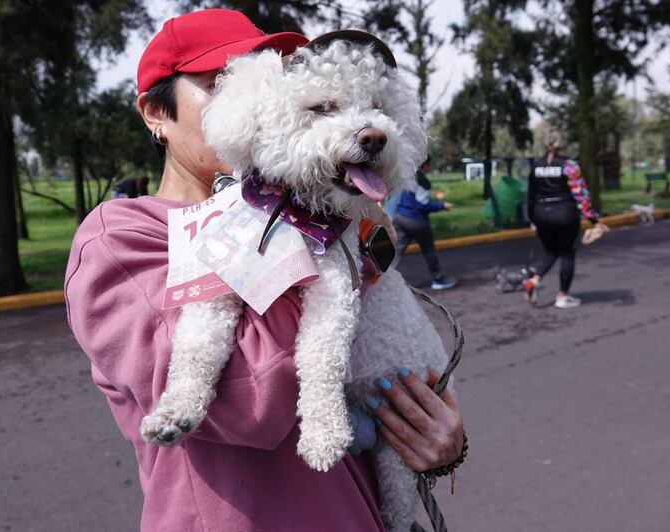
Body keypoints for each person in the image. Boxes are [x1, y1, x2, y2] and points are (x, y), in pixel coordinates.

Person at [64, 10, 464, 531]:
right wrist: (349, 262)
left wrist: (440, 444)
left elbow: (381, 377)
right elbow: (248, 402)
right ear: (154, 113)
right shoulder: (122, 238)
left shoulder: (328, 213)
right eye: (216, 84)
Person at [523, 130, 609, 309]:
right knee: (567, 253)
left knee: (550, 251)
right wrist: (594, 220)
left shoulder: (536, 165)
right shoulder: (569, 165)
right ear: (563, 144)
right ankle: (562, 297)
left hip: (541, 214)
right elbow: (581, 197)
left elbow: (530, 196)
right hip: (564, 213)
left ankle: (534, 280)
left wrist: (531, 219)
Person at [393, 154, 456, 290]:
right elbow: (422, 205)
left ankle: (381, 279)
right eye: (429, 165)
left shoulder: (408, 176)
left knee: (395, 251)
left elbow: (413, 198)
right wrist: (442, 206)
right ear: (424, 166)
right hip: (416, 221)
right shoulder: (424, 182)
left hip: (400, 218)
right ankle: (438, 279)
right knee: (429, 250)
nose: (430, 168)